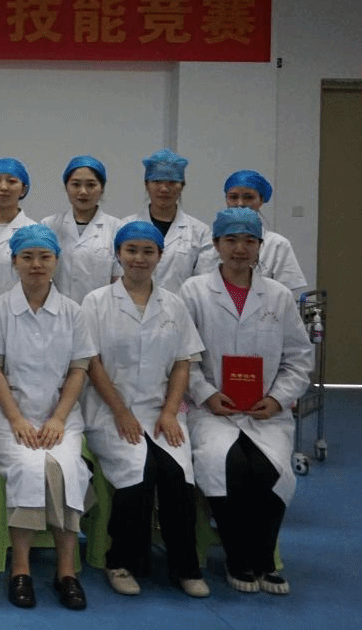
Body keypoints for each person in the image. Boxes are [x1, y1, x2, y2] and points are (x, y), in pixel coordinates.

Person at [179, 208, 314, 595]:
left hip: (264, 412)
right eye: (231, 240)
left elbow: (299, 359)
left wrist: (277, 399)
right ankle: (238, 557)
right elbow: (183, 356)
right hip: (211, 410)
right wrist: (207, 393)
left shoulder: (278, 296)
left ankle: (264, 557)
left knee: (271, 469)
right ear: (216, 244)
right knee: (228, 464)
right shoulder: (194, 292)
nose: (240, 249)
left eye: (249, 241)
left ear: (260, 246)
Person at [81, 221, 209, 598]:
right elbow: (92, 363)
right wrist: (121, 411)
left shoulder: (174, 304)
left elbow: (183, 362)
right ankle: (120, 562)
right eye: (131, 250)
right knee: (138, 473)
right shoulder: (96, 302)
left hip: (160, 411)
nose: (139, 258)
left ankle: (186, 567)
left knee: (178, 476)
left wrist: (170, 412)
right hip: (109, 410)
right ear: (118, 254)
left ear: (160, 256)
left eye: (147, 251)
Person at [0, 224, 94, 611]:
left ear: (56, 262)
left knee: (68, 468)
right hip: (9, 417)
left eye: (44, 257)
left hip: (61, 417)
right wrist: (16, 420)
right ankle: (21, 568)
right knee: (30, 467)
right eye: (27, 257)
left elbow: (78, 370)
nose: (36, 264)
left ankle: (66, 571)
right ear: (14, 262)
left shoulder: (73, 312)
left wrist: (58, 419)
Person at [193, 170, 306, 295]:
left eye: (248, 197)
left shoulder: (277, 244)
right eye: (233, 197)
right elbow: (200, 286)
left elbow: (287, 295)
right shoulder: (210, 241)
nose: (240, 203)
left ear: (261, 200)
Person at [121, 149, 210, 293]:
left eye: (172, 182)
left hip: (181, 306)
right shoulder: (125, 226)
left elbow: (203, 283)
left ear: (182, 186)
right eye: (157, 181)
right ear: (146, 184)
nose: (164, 189)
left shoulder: (200, 232)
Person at [41, 155, 122, 304]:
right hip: (58, 312)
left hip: (100, 311)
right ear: (66, 187)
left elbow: (119, 280)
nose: (83, 191)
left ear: (102, 188)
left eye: (91, 185)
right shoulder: (49, 226)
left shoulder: (117, 228)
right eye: (76, 184)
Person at [0, 158, 37, 318]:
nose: (3, 187)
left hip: (20, 319)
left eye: (11, 181)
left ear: (23, 189)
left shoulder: (33, 231)